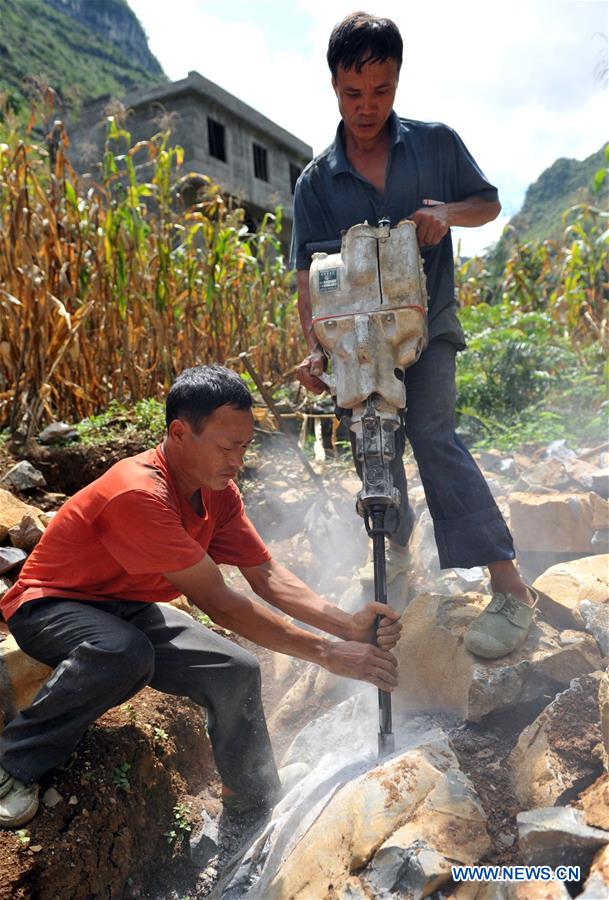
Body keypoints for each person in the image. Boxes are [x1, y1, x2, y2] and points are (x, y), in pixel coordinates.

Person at [0, 365, 401, 829]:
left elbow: (266, 574)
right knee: (123, 652)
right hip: (49, 605)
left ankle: (251, 798)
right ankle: (13, 765)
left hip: (123, 606)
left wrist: (345, 625)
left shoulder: (218, 495)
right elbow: (220, 603)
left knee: (235, 670)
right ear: (179, 432)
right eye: (226, 447)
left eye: (244, 446)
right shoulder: (138, 494)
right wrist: (327, 653)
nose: (237, 460)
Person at [291, 12, 537, 661]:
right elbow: (306, 279)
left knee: (430, 435)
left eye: (380, 90)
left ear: (396, 81)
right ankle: (395, 556)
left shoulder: (433, 145)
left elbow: (486, 202)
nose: (366, 106)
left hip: (429, 327)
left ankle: (510, 587)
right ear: (334, 86)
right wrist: (317, 349)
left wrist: (443, 214)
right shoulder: (315, 183)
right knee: (374, 448)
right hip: (355, 343)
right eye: (352, 93)